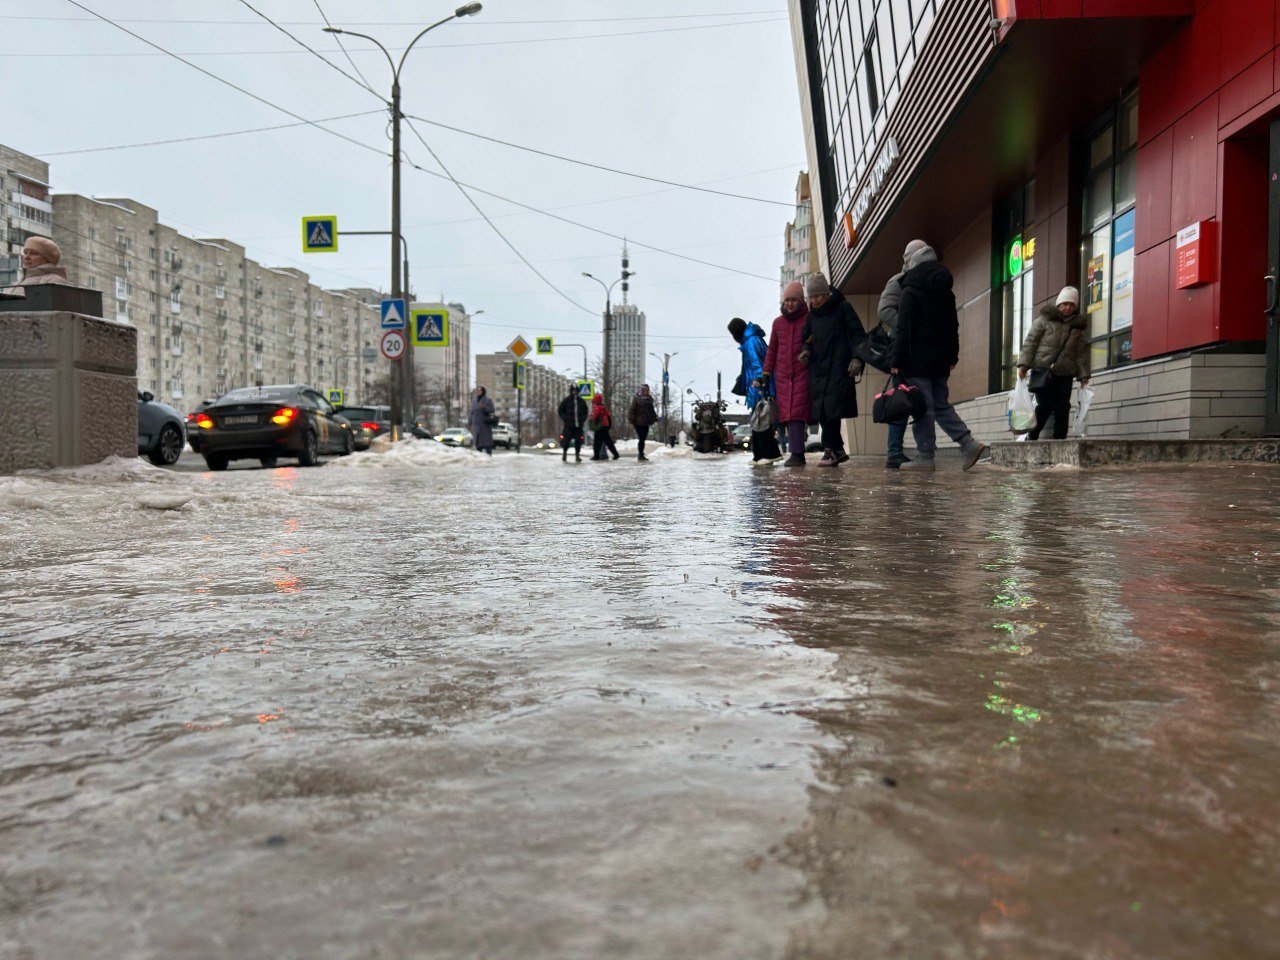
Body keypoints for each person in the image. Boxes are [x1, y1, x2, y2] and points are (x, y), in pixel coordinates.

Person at [888, 240, 988, 472]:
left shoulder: (910, 290)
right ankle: (968, 444)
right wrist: (952, 357)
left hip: (917, 361)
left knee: (922, 408)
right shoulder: (946, 290)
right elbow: (953, 327)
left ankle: (925, 456)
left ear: (911, 261)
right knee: (940, 405)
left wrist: (896, 360)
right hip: (940, 362)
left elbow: (905, 330)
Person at [799, 273, 866, 467]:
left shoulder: (843, 308)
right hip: (818, 370)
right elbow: (807, 338)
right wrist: (805, 351)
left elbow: (858, 335)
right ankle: (836, 450)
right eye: (811, 297)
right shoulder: (812, 316)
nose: (814, 300)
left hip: (839, 366)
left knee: (832, 410)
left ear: (826, 293)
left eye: (818, 296)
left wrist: (857, 358)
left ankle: (831, 450)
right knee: (822, 411)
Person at [1018, 286, 1091, 440]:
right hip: (1044, 372)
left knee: (1063, 408)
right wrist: (1023, 365)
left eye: (1072, 305)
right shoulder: (1044, 321)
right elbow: (1030, 343)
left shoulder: (1076, 329)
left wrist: (1084, 375)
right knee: (1044, 406)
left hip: (1065, 374)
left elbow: (1081, 355)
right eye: (1065, 303)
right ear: (1058, 304)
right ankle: (1032, 435)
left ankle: (1060, 440)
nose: (1068, 307)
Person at [758, 280, 811, 467]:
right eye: (787, 300)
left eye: (794, 300)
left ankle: (797, 454)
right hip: (782, 375)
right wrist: (766, 372)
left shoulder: (808, 319)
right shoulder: (778, 323)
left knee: (796, 414)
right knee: (786, 416)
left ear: (801, 301)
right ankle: (795, 451)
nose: (789, 303)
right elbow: (772, 350)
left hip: (802, 372)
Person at [729, 317, 781, 464]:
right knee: (756, 420)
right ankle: (758, 455)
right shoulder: (750, 341)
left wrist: (760, 382)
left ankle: (770, 454)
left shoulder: (751, 342)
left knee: (761, 420)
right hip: (755, 387)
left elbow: (758, 364)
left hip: (759, 387)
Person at [876, 269, 911, 469]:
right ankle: (894, 452)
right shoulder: (898, 281)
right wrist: (906, 327)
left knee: (908, 402)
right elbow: (884, 310)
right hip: (900, 349)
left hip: (912, 350)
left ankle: (896, 451)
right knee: (900, 402)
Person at [1, 236, 72, 296]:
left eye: (33, 253)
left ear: (47, 259)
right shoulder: (18, 283)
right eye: (25, 253)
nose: (26, 257)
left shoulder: (54, 280)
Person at [627, 384, 659, 461]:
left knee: (643, 438)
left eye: (647, 390)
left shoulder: (649, 399)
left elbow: (651, 410)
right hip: (638, 422)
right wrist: (631, 420)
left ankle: (641, 453)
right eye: (644, 390)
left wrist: (655, 418)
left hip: (646, 422)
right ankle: (640, 455)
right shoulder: (637, 398)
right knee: (641, 438)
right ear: (641, 390)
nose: (646, 391)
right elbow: (632, 409)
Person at [558, 385, 588, 462]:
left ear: (578, 391)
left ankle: (577, 455)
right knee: (566, 441)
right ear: (571, 391)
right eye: (573, 390)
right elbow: (560, 411)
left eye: (576, 390)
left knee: (578, 441)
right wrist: (565, 418)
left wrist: (583, 419)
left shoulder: (581, 401)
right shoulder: (566, 400)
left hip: (578, 426)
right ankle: (564, 454)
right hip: (568, 426)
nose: (575, 392)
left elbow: (585, 412)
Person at [590, 392, 619, 460]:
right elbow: (608, 416)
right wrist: (609, 426)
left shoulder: (596, 406)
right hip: (605, 426)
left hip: (599, 426)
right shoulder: (604, 407)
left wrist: (592, 418)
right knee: (608, 441)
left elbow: (596, 415)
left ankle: (596, 456)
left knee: (596, 442)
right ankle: (616, 454)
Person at [469, 385, 496, 456]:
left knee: (487, 442)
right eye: (477, 390)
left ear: (483, 391)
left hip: (485, 425)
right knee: (478, 443)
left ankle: (489, 455)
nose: (478, 392)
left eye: (480, 390)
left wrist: (485, 408)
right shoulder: (474, 401)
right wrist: (469, 422)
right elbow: (471, 412)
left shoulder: (488, 400)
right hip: (476, 425)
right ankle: (479, 456)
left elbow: (492, 410)